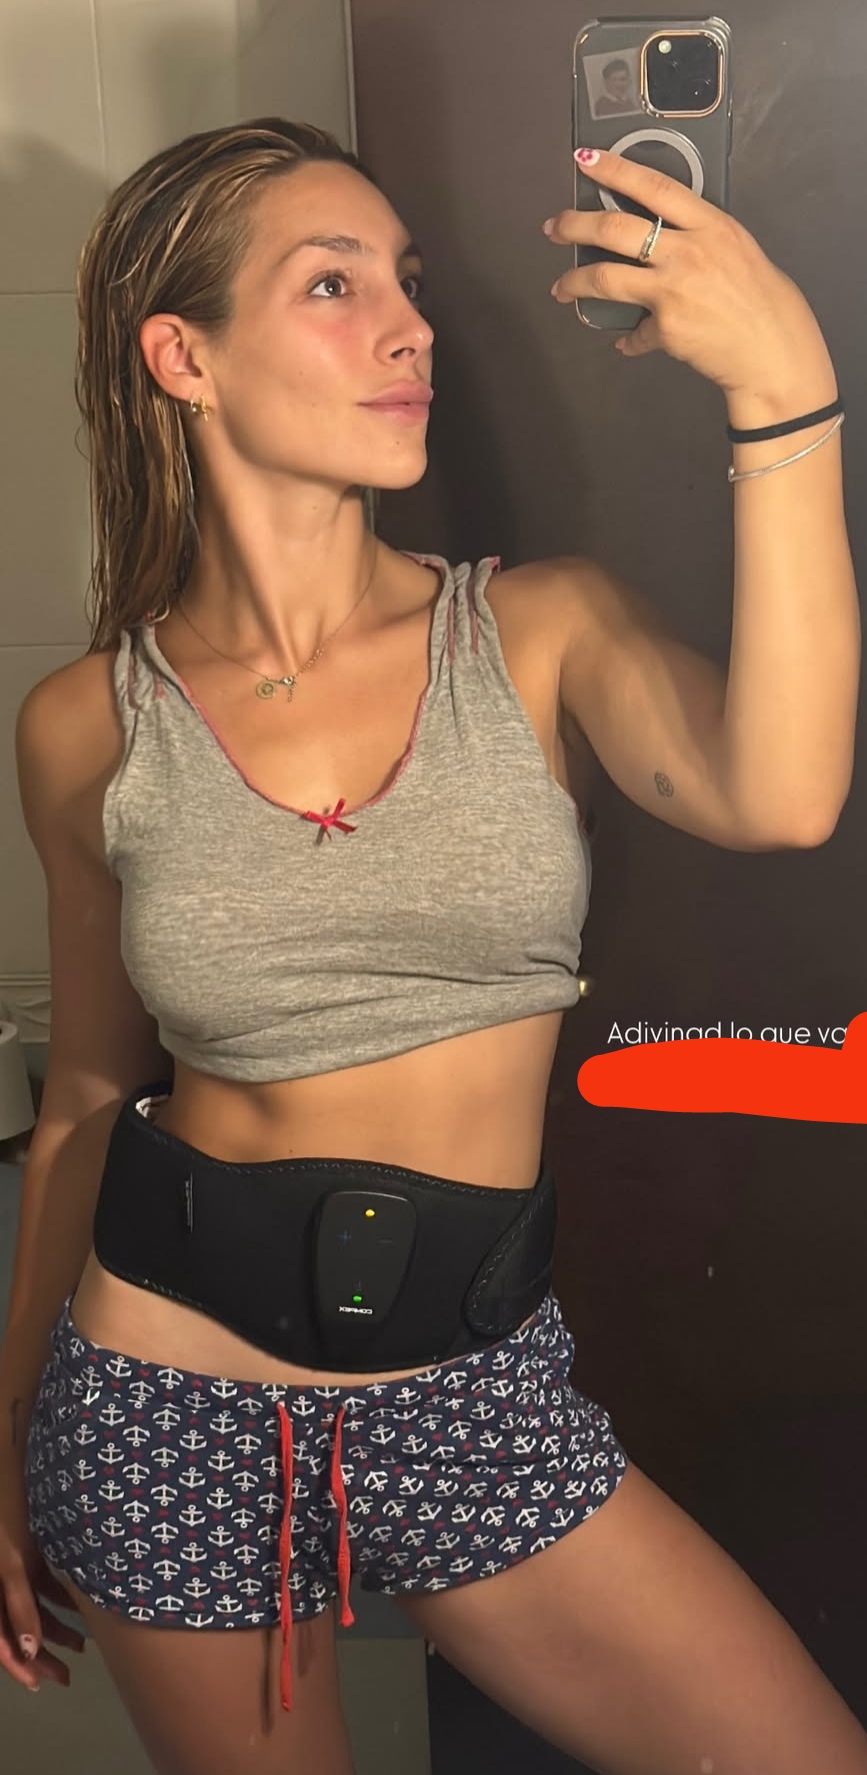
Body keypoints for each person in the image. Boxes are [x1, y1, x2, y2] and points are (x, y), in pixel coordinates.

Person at [0, 116, 863, 1775]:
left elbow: (783, 792)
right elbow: (91, 1095)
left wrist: (786, 385)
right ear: (184, 356)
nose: (411, 326)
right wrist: (12, 1428)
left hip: (473, 1398)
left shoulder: (541, 629)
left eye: (404, 281)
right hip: (161, 1408)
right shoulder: (86, 726)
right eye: (335, 285)